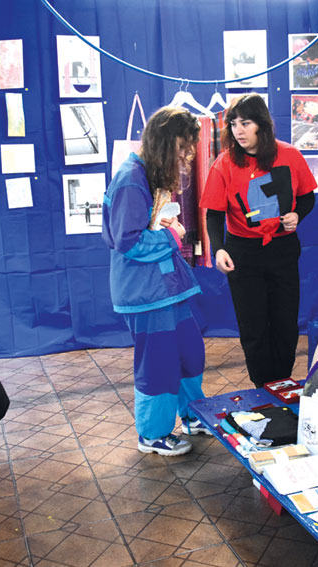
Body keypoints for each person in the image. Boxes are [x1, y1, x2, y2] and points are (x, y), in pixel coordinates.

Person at [101, 107, 209, 457]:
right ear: (164, 141)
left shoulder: (145, 174)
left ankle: (194, 415)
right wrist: (173, 237)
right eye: (181, 146)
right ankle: (153, 434)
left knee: (189, 351)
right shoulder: (131, 178)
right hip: (145, 292)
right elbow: (127, 241)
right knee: (158, 362)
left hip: (164, 287)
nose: (185, 155)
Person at [201, 94, 317, 388]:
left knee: (285, 324)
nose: (238, 131)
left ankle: (282, 384)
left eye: (246, 123)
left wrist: (296, 215)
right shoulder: (224, 163)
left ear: (261, 125)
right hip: (243, 253)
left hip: (283, 249)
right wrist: (219, 249)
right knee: (253, 327)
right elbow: (213, 214)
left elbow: (307, 197)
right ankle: (262, 387)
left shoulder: (289, 155)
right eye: (234, 124)